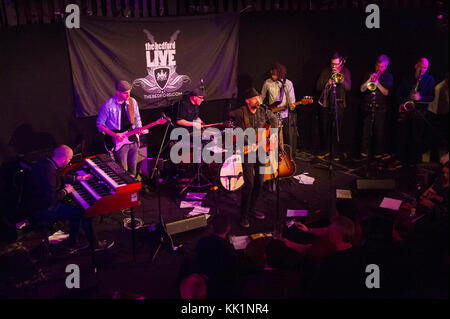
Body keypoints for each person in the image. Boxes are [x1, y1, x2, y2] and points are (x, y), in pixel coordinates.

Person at [27, 145, 114, 252]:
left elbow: (58, 176)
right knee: (83, 212)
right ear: (64, 159)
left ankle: (73, 241)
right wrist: (65, 191)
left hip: (35, 203)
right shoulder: (48, 172)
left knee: (76, 209)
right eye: (69, 159)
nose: (69, 161)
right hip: (43, 209)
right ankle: (93, 244)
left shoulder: (47, 162)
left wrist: (77, 178)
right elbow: (51, 200)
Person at [229, 88, 279, 228]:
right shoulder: (240, 113)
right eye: (255, 98)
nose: (258, 100)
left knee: (260, 182)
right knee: (249, 184)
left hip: (262, 150)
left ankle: (252, 209)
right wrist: (250, 144)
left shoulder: (263, 110)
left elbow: (274, 120)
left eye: (258, 98)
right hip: (247, 151)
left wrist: (273, 134)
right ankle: (243, 215)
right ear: (247, 100)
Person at [97, 80, 147, 177]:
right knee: (122, 171)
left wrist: (139, 128)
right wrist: (114, 135)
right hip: (119, 141)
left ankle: (133, 190)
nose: (128, 95)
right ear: (118, 92)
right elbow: (100, 124)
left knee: (133, 170)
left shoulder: (132, 102)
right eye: (125, 93)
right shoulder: (108, 105)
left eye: (129, 92)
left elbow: (137, 118)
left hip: (133, 139)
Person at [396, 58, 435, 166]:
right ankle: (402, 160)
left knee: (416, 138)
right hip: (406, 111)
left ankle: (414, 162)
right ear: (415, 65)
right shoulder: (407, 78)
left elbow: (431, 97)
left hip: (419, 112)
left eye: (425, 68)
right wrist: (402, 104)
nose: (422, 70)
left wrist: (420, 97)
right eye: (420, 66)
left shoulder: (430, 80)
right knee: (403, 136)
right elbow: (399, 93)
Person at [316, 52, 351, 160]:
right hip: (326, 105)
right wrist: (328, 82)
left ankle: (335, 152)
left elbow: (348, 87)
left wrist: (341, 79)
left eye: (336, 64)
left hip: (339, 104)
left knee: (336, 129)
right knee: (325, 128)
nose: (334, 66)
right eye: (332, 64)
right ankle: (325, 150)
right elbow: (317, 87)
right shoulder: (326, 71)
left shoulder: (345, 71)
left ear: (341, 63)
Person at [194, 214, 238, 298]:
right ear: (228, 228)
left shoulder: (202, 241)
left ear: (211, 227)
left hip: (201, 278)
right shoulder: (229, 250)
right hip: (219, 286)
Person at [360, 54, 394, 158]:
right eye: (378, 66)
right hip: (368, 107)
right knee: (365, 131)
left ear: (386, 67)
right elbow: (361, 89)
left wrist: (377, 83)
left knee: (379, 132)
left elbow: (386, 93)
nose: (379, 69)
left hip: (381, 108)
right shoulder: (369, 74)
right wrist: (369, 80)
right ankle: (364, 152)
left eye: (382, 66)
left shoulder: (388, 76)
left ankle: (378, 153)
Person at [260, 62, 297, 157]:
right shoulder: (267, 82)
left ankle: (284, 156)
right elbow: (262, 97)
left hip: (284, 114)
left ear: (281, 74)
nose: (273, 76)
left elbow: (292, 101)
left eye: (275, 74)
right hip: (271, 114)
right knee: (272, 137)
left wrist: (292, 105)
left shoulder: (288, 84)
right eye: (272, 74)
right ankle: (272, 156)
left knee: (284, 137)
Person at [426, 73, 449, 162]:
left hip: (443, 114)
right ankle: (434, 161)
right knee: (434, 140)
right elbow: (437, 108)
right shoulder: (439, 88)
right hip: (435, 115)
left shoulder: (446, 87)